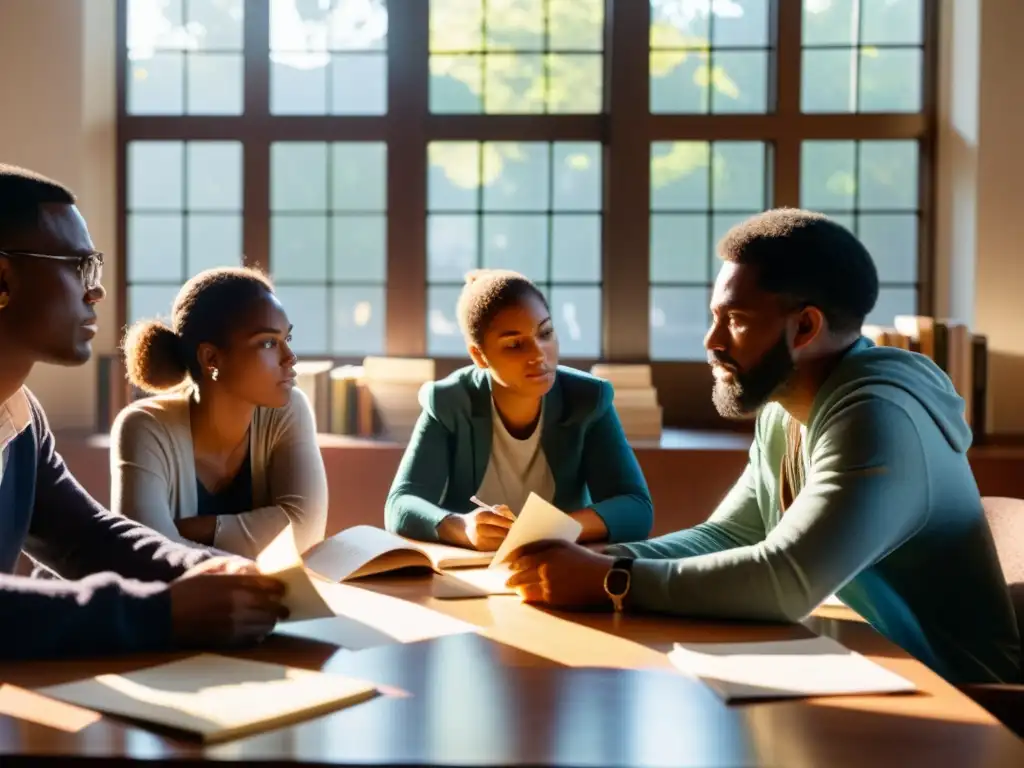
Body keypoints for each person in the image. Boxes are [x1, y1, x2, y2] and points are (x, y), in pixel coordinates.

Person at [504, 208, 1021, 685]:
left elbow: (784, 580)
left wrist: (610, 579)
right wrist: (594, 559)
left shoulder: (881, 417)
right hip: (876, 674)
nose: (711, 341)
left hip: (967, 707)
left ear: (806, 327)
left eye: (736, 320)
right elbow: (729, 535)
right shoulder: (786, 406)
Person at [0, 163, 287, 658]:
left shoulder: (21, 416)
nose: (97, 291)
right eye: (78, 267)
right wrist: (161, 611)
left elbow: (85, 536)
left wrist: (205, 569)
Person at [385, 269, 653, 550]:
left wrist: (555, 528)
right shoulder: (450, 402)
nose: (538, 354)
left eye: (546, 333)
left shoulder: (587, 400)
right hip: (471, 573)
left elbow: (636, 509)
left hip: (559, 567)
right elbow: (400, 504)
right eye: (514, 344)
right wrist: (462, 528)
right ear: (479, 356)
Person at [112, 267, 328, 559]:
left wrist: (192, 531)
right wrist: (257, 552)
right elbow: (147, 554)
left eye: (286, 340)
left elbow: (305, 532)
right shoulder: (145, 428)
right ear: (211, 358)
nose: (289, 358)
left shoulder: (288, 410)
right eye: (267, 342)